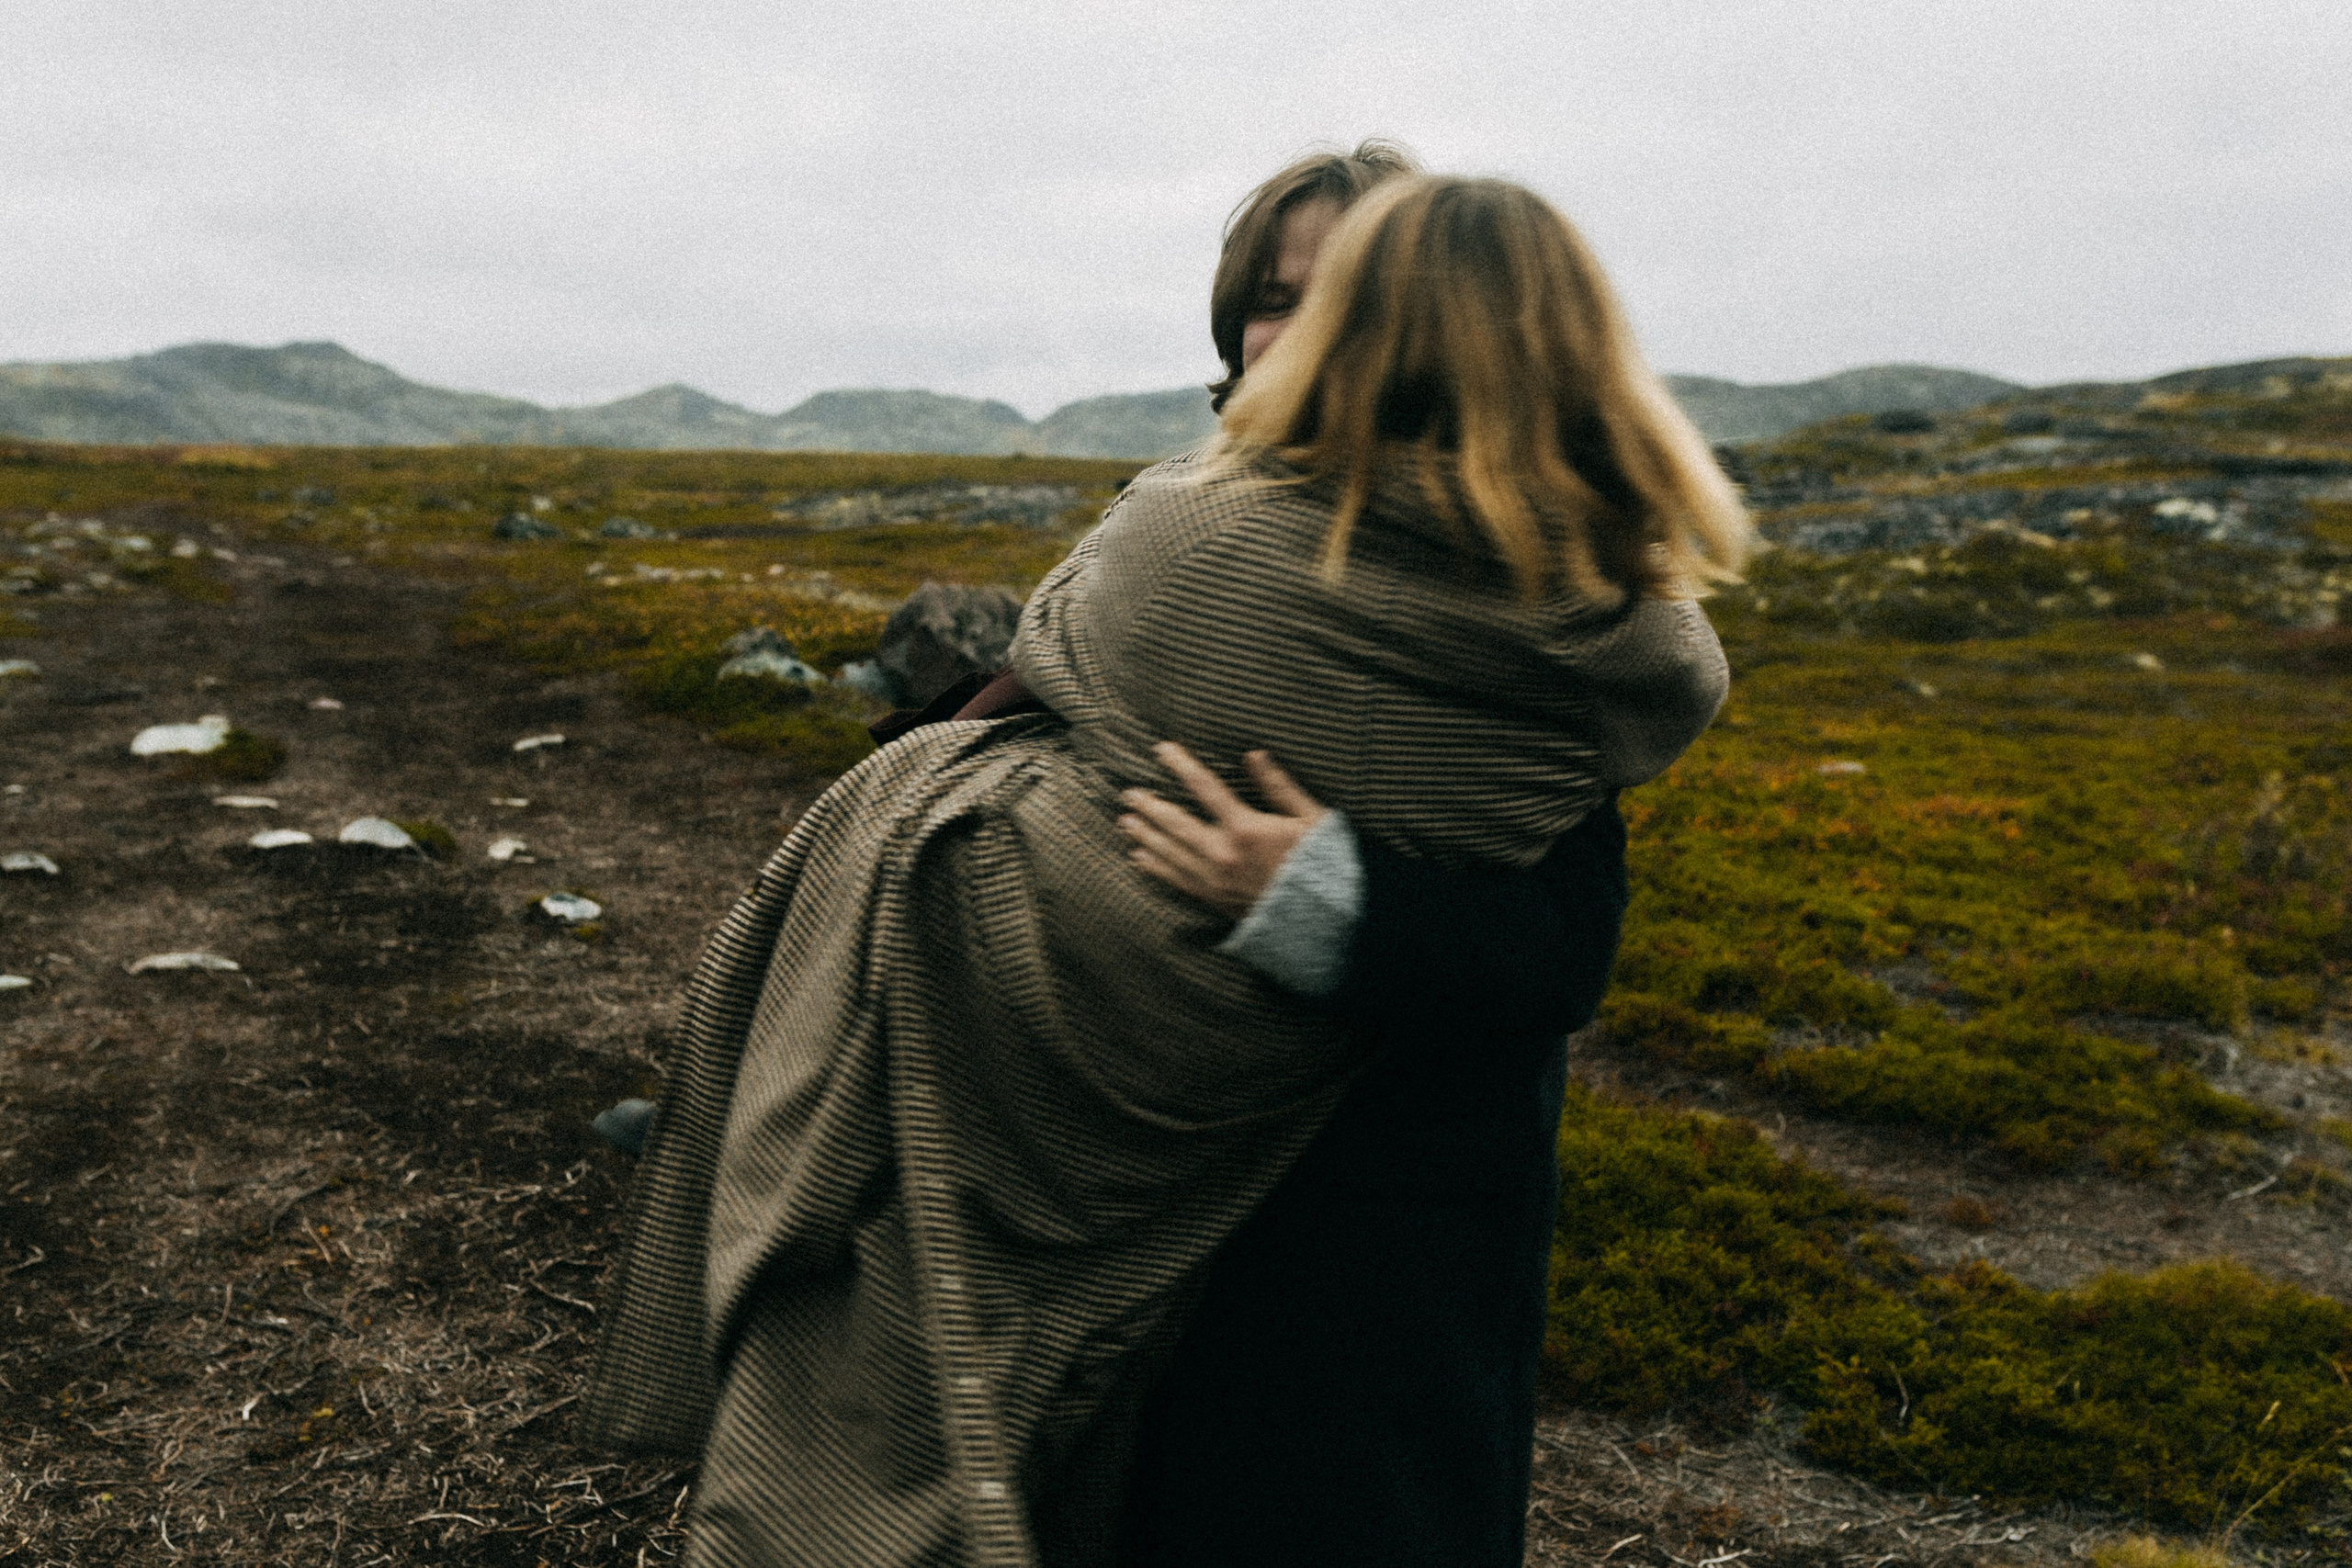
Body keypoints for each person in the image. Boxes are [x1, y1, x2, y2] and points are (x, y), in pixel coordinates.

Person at [582, 171, 1747, 1568]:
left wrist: (1323, 899)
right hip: (1138, 1193)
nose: (1295, 332)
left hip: (1374, 1220)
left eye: (1333, 301)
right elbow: (1035, 703)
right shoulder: (1523, 607)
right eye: (1267, 301)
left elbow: (1559, 954)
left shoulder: (1506, 606)